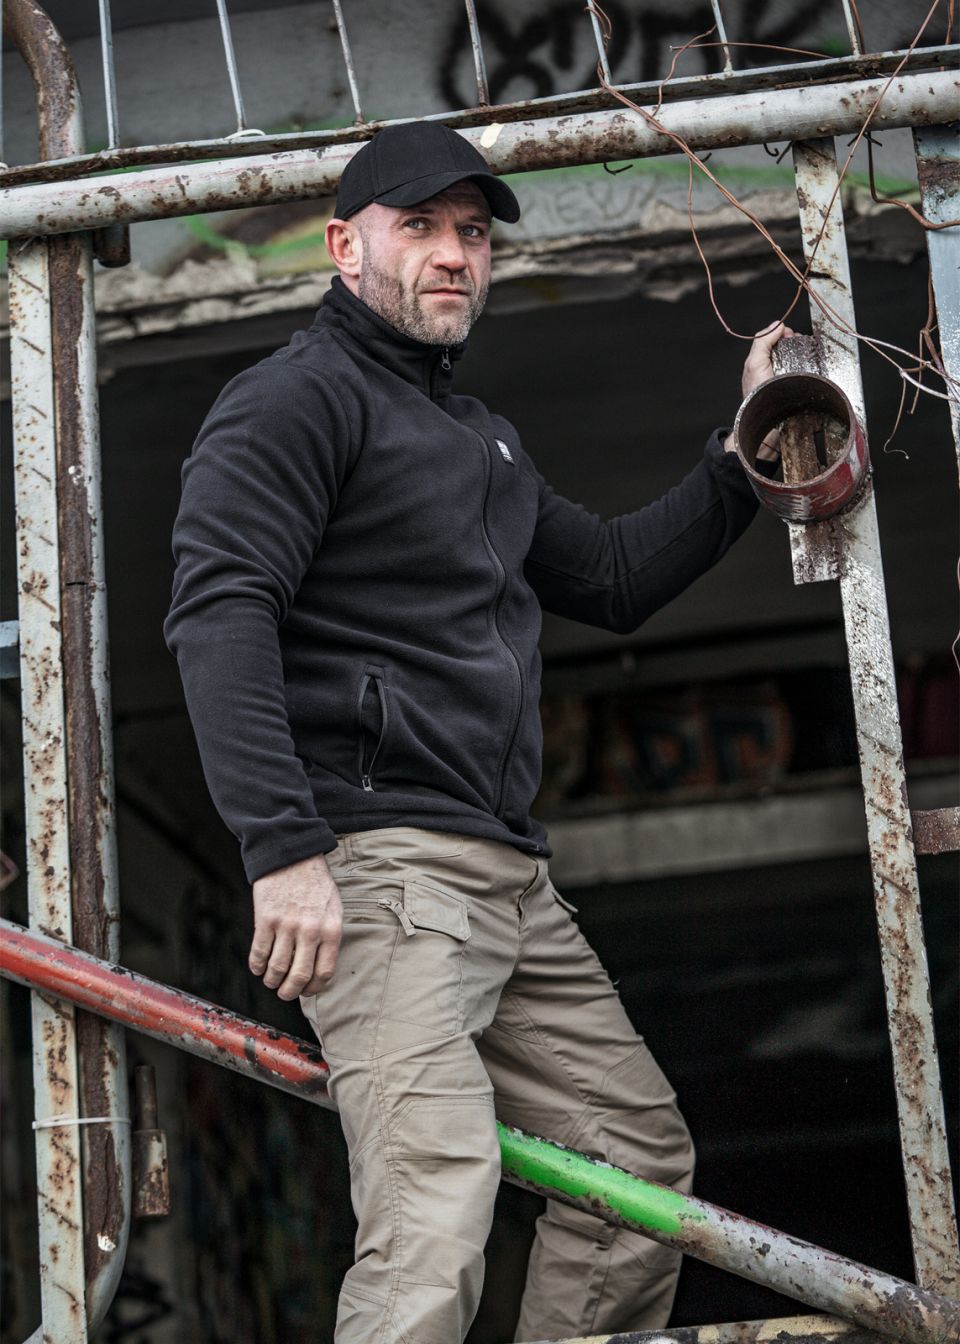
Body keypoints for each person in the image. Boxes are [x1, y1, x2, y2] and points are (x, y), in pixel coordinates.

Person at [166, 120, 786, 1344]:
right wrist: (283, 847)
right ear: (344, 247)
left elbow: (613, 577)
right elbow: (219, 607)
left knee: (635, 1169)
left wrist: (744, 451)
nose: (454, 254)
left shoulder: (479, 439)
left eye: (473, 233)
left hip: (507, 880)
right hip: (386, 868)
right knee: (435, 1204)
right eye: (420, 227)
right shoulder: (296, 399)